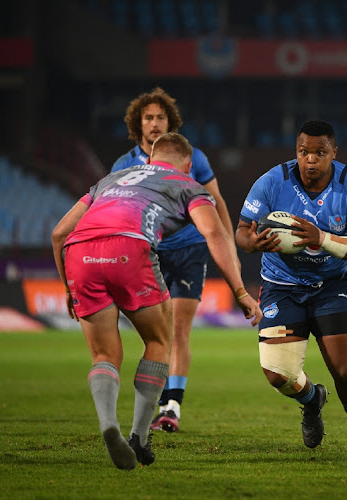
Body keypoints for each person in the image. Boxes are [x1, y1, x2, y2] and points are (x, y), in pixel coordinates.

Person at [52, 132, 262, 470]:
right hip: (130, 248)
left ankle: (108, 422)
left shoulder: (110, 180)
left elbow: (59, 233)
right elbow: (214, 233)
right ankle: (138, 435)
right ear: (189, 165)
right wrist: (239, 290)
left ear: (149, 160)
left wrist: (67, 288)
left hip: (79, 253)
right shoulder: (188, 185)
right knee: (160, 341)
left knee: (104, 354)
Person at [235, 120, 347, 452]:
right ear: (296, 152)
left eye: (319, 153)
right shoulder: (273, 181)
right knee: (277, 374)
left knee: (345, 370)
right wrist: (254, 242)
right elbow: (241, 232)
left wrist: (322, 239)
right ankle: (313, 400)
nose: (311, 160)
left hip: (332, 286)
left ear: (334, 153)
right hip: (281, 286)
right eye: (304, 152)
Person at [112, 87, 234, 433]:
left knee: (179, 329)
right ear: (138, 124)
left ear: (171, 122)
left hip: (191, 248)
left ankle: (171, 407)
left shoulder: (192, 157)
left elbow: (216, 200)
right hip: (150, 252)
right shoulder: (123, 165)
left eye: (160, 117)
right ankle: (160, 399)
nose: (154, 123)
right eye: (148, 117)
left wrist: (225, 243)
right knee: (155, 332)